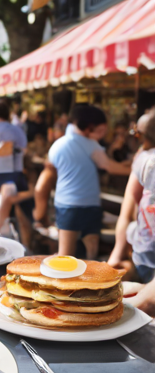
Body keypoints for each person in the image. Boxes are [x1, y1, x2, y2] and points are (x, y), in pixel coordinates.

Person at [47, 105, 131, 259]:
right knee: (91, 252)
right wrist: (137, 169)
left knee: (65, 254)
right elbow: (109, 166)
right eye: (101, 130)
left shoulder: (57, 145)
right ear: (88, 128)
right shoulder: (89, 144)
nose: (103, 135)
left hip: (65, 204)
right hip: (88, 205)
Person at [108, 112, 155, 281]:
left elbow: (126, 212)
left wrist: (116, 255)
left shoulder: (143, 160)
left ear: (140, 135)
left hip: (145, 256)